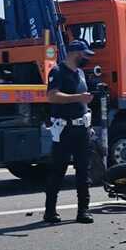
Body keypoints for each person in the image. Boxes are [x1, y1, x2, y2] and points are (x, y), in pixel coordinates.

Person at [44, 40, 95, 224]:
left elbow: (83, 99)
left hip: (82, 128)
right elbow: (52, 96)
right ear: (75, 53)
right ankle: (50, 211)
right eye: (85, 55)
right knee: (58, 170)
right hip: (64, 129)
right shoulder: (57, 72)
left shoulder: (80, 73)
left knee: (84, 171)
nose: (87, 58)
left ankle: (84, 211)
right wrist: (78, 98)